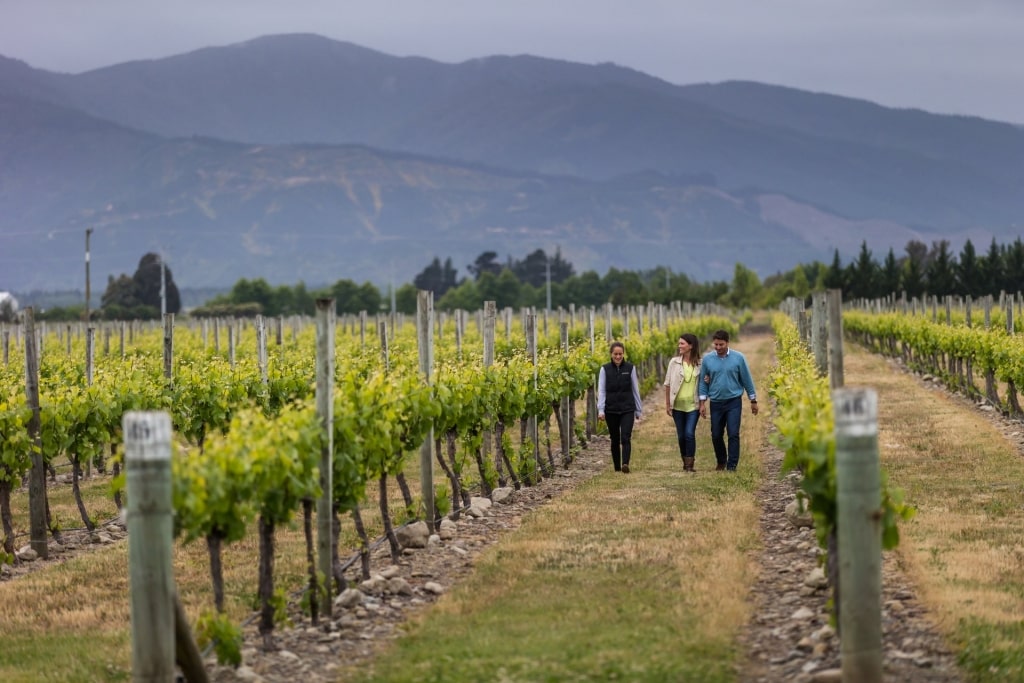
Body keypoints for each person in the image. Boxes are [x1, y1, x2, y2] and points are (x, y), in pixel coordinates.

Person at [698, 329, 758, 471]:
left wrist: (753, 400)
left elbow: (746, 379)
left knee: (733, 433)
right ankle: (721, 460)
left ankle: (732, 466)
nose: (718, 348)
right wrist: (702, 402)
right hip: (716, 402)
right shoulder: (707, 359)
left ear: (727, 343)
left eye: (721, 345)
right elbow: (703, 382)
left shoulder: (739, 358)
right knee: (716, 434)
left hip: (733, 402)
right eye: (716, 345)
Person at [597, 341, 643, 473]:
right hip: (611, 409)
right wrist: (601, 409)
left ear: (623, 354)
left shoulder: (630, 368)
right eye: (615, 354)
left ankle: (625, 464)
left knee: (625, 437)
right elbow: (601, 390)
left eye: (620, 354)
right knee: (615, 439)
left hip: (627, 408)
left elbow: (635, 389)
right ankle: (617, 467)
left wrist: (638, 409)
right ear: (611, 354)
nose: (618, 357)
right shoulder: (604, 369)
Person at [663, 333, 701, 472]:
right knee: (681, 436)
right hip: (677, 405)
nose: (679, 346)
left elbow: (704, 383)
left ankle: (689, 465)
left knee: (689, 434)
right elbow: (667, 384)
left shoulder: (700, 364)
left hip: (693, 405)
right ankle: (684, 460)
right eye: (679, 343)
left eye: (682, 344)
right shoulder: (674, 362)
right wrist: (668, 404)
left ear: (690, 346)